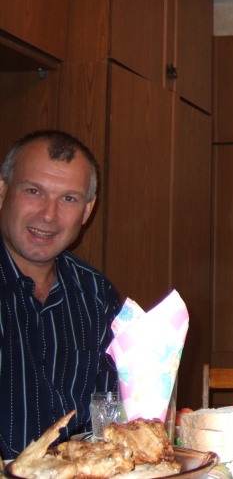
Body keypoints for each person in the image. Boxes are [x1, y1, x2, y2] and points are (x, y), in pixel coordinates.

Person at [0, 130, 119, 459]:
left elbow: (111, 419)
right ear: (2, 191)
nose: (48, 214)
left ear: (87, 210)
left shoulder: (98, 295)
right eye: (33, 191)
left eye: (69, 198)